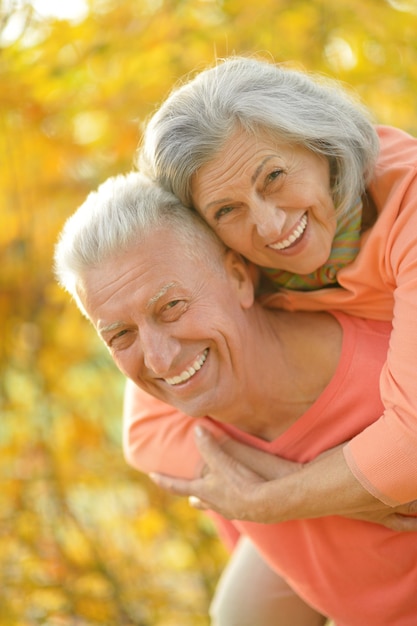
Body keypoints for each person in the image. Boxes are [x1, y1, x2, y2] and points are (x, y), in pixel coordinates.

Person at [54, 171, 417, 626]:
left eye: (172, 307)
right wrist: (296, 493)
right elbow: (141, 436)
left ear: (240, 277)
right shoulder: (186, 426)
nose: (161, 360)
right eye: (121, 334)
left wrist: (305, 489)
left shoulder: (391, 384)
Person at [122, 55, 417, 527]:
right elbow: (149, 432)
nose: (270, 224)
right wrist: (338, 495)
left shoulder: (410, 205)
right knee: (246, 603)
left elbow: (411, 447)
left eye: (274, 177)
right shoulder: (235, 258)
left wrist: (270, 502)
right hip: (341, 479)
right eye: (226, 210)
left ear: (319, 142)